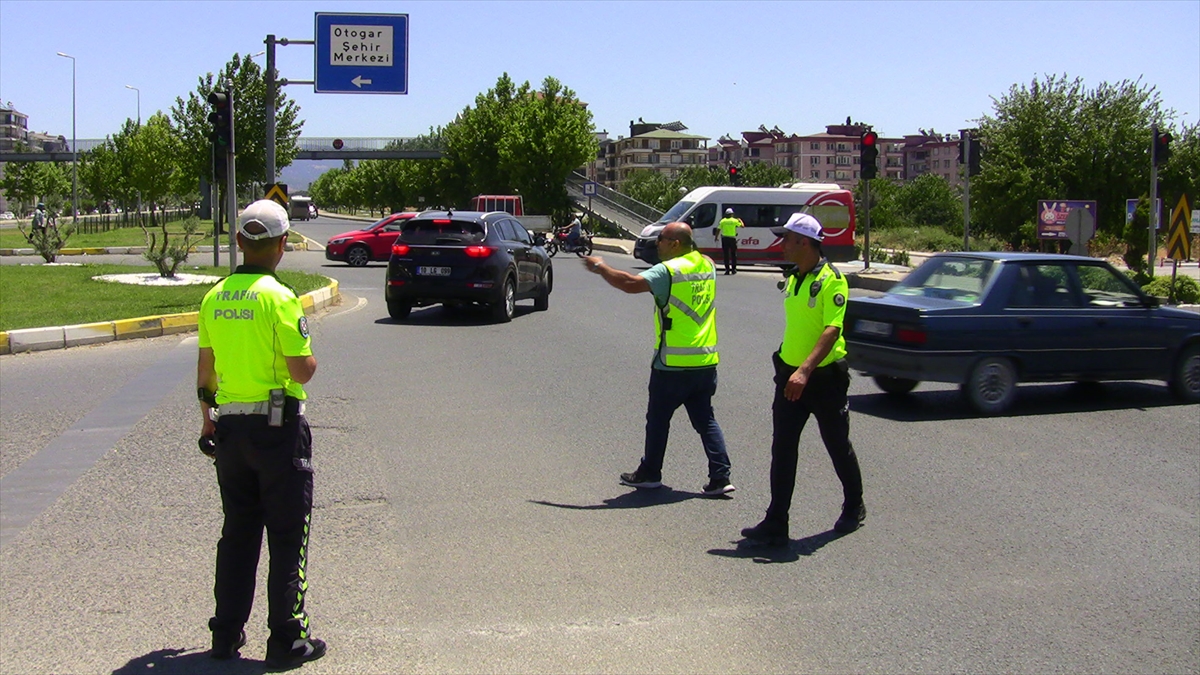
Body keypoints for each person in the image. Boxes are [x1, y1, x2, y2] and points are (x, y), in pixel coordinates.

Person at [196, 199, 327, 667]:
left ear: (238, 243)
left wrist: (208, 419)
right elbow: (303, 370)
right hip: (277, 428)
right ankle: (288, 638)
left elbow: (206, 371)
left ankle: (225, 635)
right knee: (288, 534)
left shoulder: (214, 296)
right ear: (282, 245)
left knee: (238, 533)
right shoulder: (280, 297)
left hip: (230, 429)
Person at [582, 222, 734, 496]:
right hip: (705, 361)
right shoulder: (707, 265)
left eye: (661, 239)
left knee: (658, 420)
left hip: (672, 365)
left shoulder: (669, 271)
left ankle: (650, 473)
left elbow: (629, 284)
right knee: (705, 420)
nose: (657, 244)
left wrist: (599, 267)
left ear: (675, 243)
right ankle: (720, 475)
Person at [741, 212, 865, 545]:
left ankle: (854, 505)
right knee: (782, 449)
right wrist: (786, 364)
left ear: (804, 243)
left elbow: (832, 328)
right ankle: (776, 522)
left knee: (837, 444)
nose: (781, 244)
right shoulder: (795, 277)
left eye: (787, 239)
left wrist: (805, 369)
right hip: (789, 376)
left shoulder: (831, 280)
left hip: (823, 378)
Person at [717, 208, 744, 275]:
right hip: (732, 239)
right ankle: (733, 270)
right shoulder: (734, 221)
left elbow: (718, 229)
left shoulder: (723, 221)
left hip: (725, 239)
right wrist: (740, 220)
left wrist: (716, 237)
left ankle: (727, 270)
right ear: (732, 214)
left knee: (726, 255)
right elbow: (742, 226)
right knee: (733, 254)